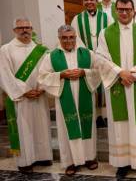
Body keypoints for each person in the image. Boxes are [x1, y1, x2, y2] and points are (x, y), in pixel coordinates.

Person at [96, 0, 136, 178]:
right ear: (115, 10)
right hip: (117, 84)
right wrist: (120, 73)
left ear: (133, 11)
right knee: (120, 126)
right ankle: (122, 164)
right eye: (120, 9)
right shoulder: (105, 33)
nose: (123, 13)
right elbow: (101, 58)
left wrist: (132, 74)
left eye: (127, 9)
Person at [38, 25, 101, 176]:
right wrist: (60, 75)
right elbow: (42, 76)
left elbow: (99, 71)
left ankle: (89, 158)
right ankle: (70, 161)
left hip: (85, 94)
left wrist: (83, 72)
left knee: (87, 126)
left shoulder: (88, 54)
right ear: (59, 39)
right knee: (67, 129)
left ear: (75, 37)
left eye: (71, 37)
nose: (68, 40)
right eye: (64, 38)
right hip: (65, 98)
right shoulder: (51, 56)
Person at [0, 18, 52, 174]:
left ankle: (43, 156)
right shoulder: (6, 50)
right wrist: (24, 90)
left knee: (42, 126)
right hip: (21, 98)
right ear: (14, 30)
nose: (25, 30)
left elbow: (47, 71)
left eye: (27, 27)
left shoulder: (40, 49)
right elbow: (4, 74)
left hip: (39, 95)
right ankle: (25, 161)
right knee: (24, 129)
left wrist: (42, 88)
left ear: (32, 28)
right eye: (20, 27)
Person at [71, 0, 113, 128]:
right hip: (86, 57)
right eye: (86, 0)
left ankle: (105, 116)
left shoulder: (106, 17)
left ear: (97, 1)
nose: (89, 2)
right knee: (90, 85)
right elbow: (75, 38)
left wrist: (102, 52)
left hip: (104, 56)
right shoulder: (77, 19)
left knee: (103, 85)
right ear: (83, 2)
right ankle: (94, 116)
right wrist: (88, 53)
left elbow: (111, 34)